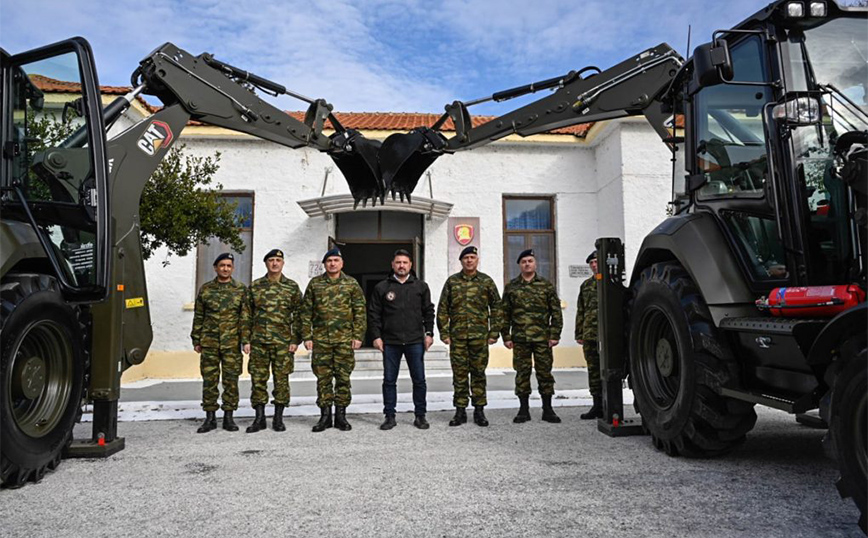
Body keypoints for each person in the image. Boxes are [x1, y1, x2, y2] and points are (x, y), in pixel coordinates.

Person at [368, 249, 435, 431]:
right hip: (390, 342)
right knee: (389, 380)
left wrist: (429, 333)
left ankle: (420, 416)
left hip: (415, 341)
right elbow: (374, 314)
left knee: (419, 380)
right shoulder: (382, 288)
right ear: (392, 265)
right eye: (398, 262)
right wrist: (376, 336)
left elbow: (428, 312)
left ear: (411, 265)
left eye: (405, 262)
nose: (401, 266)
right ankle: (389, 416)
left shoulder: (421, 287)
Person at [300, 248, 366, 432]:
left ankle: (341, 416)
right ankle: (325, 416)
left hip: (344, 340)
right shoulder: (315, 284)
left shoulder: (351, 284)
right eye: (329, 260)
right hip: (321, 340)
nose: (332, 263)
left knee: (343, 378)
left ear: (342, 263)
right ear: (324, 264)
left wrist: (358, 336)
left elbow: (360, 312)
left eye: (336, 260)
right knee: (323, 379)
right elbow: (306, 312)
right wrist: (307, 336)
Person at [437, 246, 501, 427]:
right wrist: (444, 333)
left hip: (480, 337)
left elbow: (497, 307)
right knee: (459, 375)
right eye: (466, 258)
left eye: (472, 257)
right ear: (461, 261)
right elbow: (443, 308)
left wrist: (494, 332)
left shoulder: (486, 281)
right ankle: (460, 411)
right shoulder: (452, 282)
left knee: (479, 374)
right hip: (457, 338)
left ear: (477, 260)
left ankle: (479, 411)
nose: (469, 260)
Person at [241, 249, 303, 433]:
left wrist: (295, 338)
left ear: (283, 263)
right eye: (271, 260)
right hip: (258, 342)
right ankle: (259, 418)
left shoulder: (291, 287)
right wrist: (246, 339)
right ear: (266, 263)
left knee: (281, 380)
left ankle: (278, 418)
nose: (275, 263)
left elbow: (300, 314)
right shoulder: (256, 286)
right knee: (258, 380)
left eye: (278, 260)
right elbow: (246, 314)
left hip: (283, 343)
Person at [502, 249, 563, 424]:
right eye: (524, 262)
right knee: (522, 373)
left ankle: (548, 409)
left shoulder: (546, 286)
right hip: (520, 339)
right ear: (519, 265)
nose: (527, 264)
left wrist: (555, 334)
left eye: (530, 261)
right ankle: (523, 410)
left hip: (542, 339)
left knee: (545, 373)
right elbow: (504, 313)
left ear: (535, 264)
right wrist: (506, 336)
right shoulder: (512, 287)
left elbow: (556, 312)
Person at [190, 252, 246, 433]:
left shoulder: (240, 289)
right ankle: (210, 418)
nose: (225, 268)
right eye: (222, 265)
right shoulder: (206, 289)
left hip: (232, 343)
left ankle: (229, 417)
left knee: (231, 381)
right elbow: (199, 315)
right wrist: (196, 338)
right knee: (209, 380)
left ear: (233, 268)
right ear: (215, 268)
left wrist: (245, 340)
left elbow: (244, 318)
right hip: (209, 342)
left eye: (229, 265)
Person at [576, 250, 602, 419]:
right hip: (590, 335)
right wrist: (579, 333)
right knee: (593, 371)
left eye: (596, 261)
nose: (593, 265)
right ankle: (597, 405)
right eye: (591, 263)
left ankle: (610, 404)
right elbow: (581, 310)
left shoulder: (612, 283)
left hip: (608, 335)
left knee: (609, 370)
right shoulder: (586, 286)